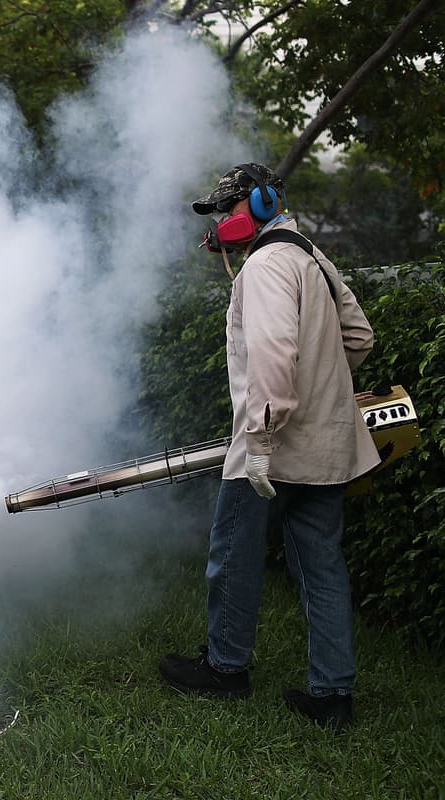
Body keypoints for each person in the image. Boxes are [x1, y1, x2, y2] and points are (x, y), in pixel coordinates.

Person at [158, 163, 380, 730]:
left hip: (271, 446)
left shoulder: (263, 267)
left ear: (258, 204)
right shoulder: (311, 256)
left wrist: (260, 438)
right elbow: (359, 337)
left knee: (232, 557)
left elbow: (276, 356)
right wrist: (322, 385)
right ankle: (333, 696)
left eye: (226, 209)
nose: (221, 223)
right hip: (325, 448)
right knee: (323, 566)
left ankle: (227, 670)